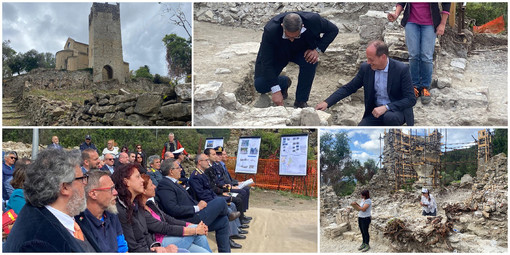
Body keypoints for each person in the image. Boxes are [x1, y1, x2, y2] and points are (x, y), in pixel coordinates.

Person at [4, 149, 98, 252]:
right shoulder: (38, 243)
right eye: (82, 178)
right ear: (65, 187)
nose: (85, 184)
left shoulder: (69, 216)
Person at [316, 40, 416, 126]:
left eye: (371, 59)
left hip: (396, 111)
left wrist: (386, 107)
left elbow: (411, 99)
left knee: (390, 117)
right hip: (376, 112)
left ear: (383, 57)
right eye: (367, 58)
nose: (368, 62)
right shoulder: (366, 68)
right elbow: (349, 87)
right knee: (362, 127)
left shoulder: (401, 69)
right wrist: (327, 102)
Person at [254, 12, 339, 108]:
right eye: (288, 36)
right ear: (282, 26)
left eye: (295, 36)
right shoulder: (270, 30)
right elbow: (266, 62)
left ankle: (301, 101)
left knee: (310, 61)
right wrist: (276, 90)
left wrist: (317, 49)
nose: (292, 40)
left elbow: (333, 30)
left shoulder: (313, 20)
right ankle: (284, 82)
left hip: (301, 50)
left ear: (302, 26)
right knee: (260, 85)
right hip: (278, 53)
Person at [156, 159, 239, 252]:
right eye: (178, 168)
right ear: (171, 171)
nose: (180, 170)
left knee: (223, 221)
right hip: (187, 220)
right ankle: (229, 213)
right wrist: (197, 208)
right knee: (220, 201)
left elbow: (188, 201)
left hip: (194, 215)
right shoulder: (165, 185)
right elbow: (172, 209)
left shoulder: (173, 183)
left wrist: (200, 205)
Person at [387, 3, 451, 104]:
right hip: (411, 22)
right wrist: (396, 14)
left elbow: (446, 4)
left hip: (430, 23)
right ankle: (414, 86)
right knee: (413, 55)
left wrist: (442, 23)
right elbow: (402, 2)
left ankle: (425, 87)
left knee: (426, 56)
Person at [111, 163, 180, 253]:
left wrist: (155, 246)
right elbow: (133, 247)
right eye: (138, 177)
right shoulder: (120, 210)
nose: (142, 181)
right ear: (126, 182)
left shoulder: (136, 204)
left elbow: (145, 233)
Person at [139, 174, 211, 253]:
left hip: (169, 236)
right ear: (144, 190)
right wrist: (195, 230)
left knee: (204, 251)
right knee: (198, 232)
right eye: (151, 185)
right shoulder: (140, 211)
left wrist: (190, 225)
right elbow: (164, 227)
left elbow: (169, 219)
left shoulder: (150, 205)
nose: (154, 187)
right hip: (161, 243)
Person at [189, 153, 245, 249]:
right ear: (199, 162)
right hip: (203, 203)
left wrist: (219, 198)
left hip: (211, 199)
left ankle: (233, 232)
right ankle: (230, 236)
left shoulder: (202, 174)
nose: (208, 162)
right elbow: (202, 195)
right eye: (206, 160)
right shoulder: (195, 176)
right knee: (227, 207)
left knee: (227, 206)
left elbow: (210, 191)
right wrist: (217, 200)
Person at [75, 170, 128, 252]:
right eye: (111, 189)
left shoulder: (111, 214)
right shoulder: (80, 223)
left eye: (114, 188)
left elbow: (122, 248)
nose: (115, 192)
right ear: (93, 194)